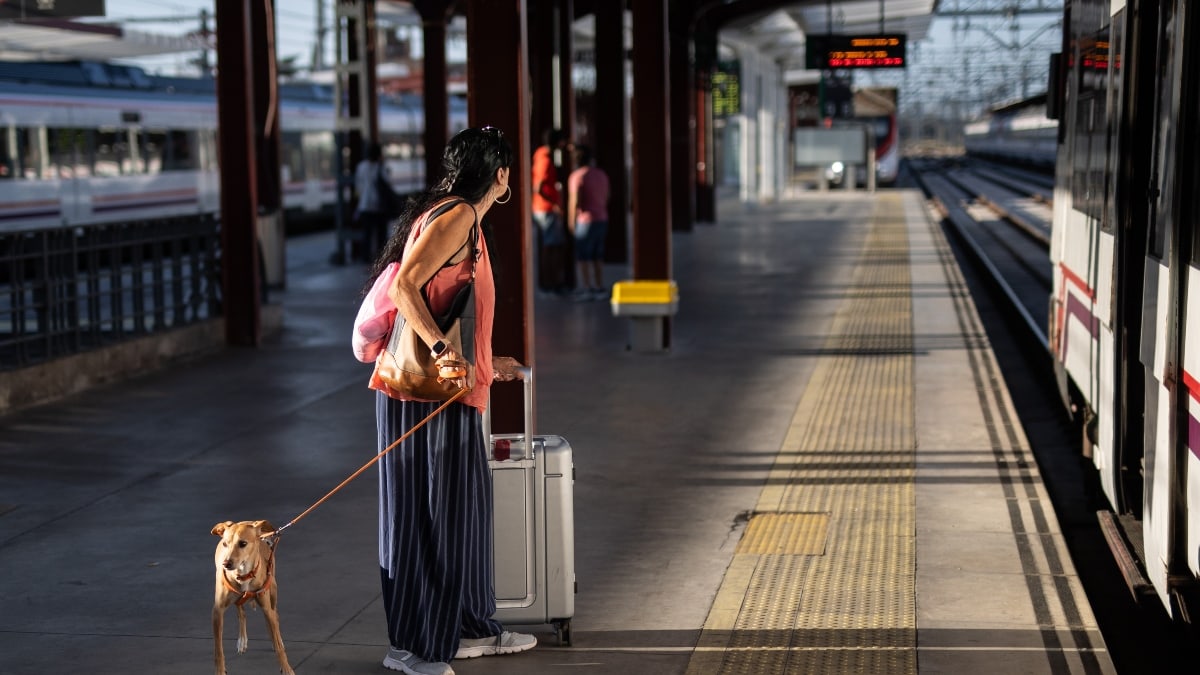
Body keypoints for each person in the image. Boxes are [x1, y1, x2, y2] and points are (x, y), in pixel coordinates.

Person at [354, 126, 535, 675]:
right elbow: (408, 286)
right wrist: (441, 350)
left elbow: (453, 309)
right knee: (423, 518)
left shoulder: (465, 222)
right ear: (500, 174)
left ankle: (470, 627)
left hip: (452, 390)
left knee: (460, 516)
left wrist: (486, 362)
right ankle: (414, 647)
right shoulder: (456, 215)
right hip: (423, 396)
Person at [566, 144, 610, 301]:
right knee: (598, 255)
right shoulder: (601, 175)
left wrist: (571, 222)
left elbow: (574, 201)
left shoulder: (577, 177)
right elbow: (607, 196)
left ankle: (586, 287)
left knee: (583, 255)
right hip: (602, 218)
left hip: (585, 220)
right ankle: (599, 286)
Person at [531, 127, 570, 295]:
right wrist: (554, 203)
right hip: (546, 209)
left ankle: (550, 282)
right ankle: (550, 283)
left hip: (543, 208)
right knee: (551, 247)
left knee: (551, 245)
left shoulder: (540, 154)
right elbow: (538, 187)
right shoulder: (545, 160)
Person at [354, 141, 392, 262]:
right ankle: (381, 259)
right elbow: (387, 184)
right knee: (381, 236)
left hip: (364, 206)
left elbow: (358, 186)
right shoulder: (380, 167)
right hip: (379, 206)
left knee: (367, 235)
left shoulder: (361, 167)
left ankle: (366, 259)